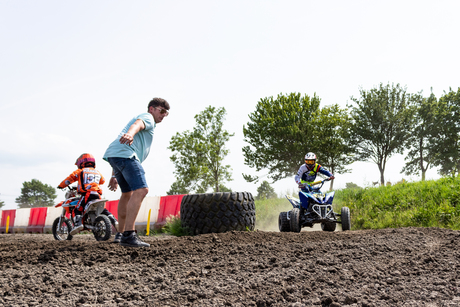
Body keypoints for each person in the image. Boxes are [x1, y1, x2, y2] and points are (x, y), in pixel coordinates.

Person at [103, 97, 170, 248]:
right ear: (152, 109)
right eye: (162, 111)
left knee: (127, 194)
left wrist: (114, 174)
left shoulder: (149, 119)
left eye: (166, 113)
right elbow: (137, 124)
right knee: (141, 190)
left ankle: (120, 234)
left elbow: (119, 149)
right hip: (127, 155)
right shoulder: (147, 117)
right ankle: (129, 234)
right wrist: (131, 134)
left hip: (116, 156)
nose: (163, 115)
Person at [57, 153, 118, 235]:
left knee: (77, 209)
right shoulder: (97, 172)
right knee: (102, 210)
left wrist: (61, 185)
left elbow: (69, 179)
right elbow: (102, 181)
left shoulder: (80, 171)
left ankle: (78, 225)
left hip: (87, 194)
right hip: (97, 195)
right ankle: (114, 220)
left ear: (81, 163)